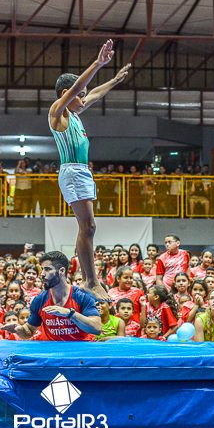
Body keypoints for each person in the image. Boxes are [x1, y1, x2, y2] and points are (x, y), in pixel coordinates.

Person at [48, 39, 130, 300]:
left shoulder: (75, 115)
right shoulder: (58, 113)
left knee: (87, 228)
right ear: (66, 94)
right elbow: (78, 88)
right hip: (72, 171)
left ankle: (86, 278)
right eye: (79, 96)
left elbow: (94, 94)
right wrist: (98, 63)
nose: (84, 100)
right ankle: (90, 281)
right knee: (88, 226)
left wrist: (114, 80)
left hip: (81, 172)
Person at [2, 251, 101, 341]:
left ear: (62, 271)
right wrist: (19, 330)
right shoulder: (40, 300)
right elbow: (29, 331)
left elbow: (96, 328)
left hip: (80, 351)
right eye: (42, 269)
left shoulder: (82, 296)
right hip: (53, 352)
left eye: (47, 269)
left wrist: (70, 314)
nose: (42, 274)